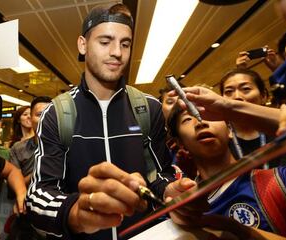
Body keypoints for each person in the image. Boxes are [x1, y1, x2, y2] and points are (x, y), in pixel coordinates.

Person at [26, 3, 175, 239]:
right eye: (105, 42)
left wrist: (170, 189)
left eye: (125, 44)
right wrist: (76, 213)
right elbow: (37, 196)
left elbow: (159, 174)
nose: (117, 51)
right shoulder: (57, 113)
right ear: (83, 45)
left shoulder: (147, 108)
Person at [166, 104, 286, 239]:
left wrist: (238, 230)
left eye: (207, 114)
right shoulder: (184, 209)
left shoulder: (284, 181)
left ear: (229, 130)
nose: (200, 122)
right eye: (187, 119)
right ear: (180, 144)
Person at [9, 96, 51, 240]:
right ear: (30, 119)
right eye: (39, 114)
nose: (45, 118)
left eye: (49, 113)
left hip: (56, 216)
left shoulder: (68, 147)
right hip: (26, 214)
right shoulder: (18, 149)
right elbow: (12, 182)